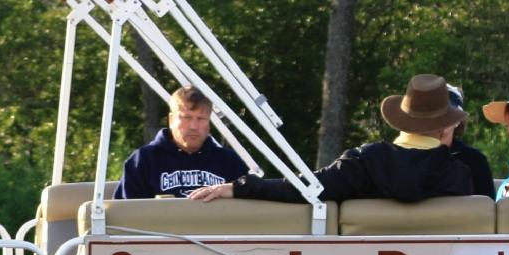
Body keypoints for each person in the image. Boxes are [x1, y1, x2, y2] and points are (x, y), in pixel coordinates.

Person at [188, 73, 474, 205]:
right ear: (443, 128)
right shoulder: (459, 177)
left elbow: (307, 189)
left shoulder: (366, 162)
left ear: (403, 121)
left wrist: (241, 187)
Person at [114, 84, 246, 199]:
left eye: (201, 119)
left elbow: (250, 209)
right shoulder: (143, 160)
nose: (193, 126)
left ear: (209, 123)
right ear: (171, 120)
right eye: (186, 117)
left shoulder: (229, 162)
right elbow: (126, 214)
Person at [440, 83, 495, 197]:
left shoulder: (475, 160)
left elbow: (487, 208)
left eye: (446, 112)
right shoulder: (408, 156)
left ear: (458, 120)